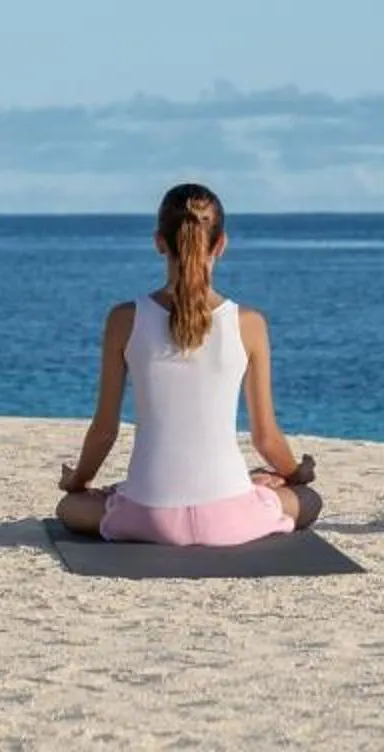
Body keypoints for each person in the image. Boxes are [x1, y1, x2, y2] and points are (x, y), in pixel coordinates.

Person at [55, 183, 322, 545]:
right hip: (228, 519)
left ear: (159, 242)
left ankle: (133, 496)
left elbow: (105, 431)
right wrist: (295, 473)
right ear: (221, 244)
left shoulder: (124, 319)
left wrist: (78, 481)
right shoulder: (250, 323)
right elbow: (265, 437)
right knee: (308, 500)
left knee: (70, 508)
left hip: (149, 519)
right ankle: (250, 487)